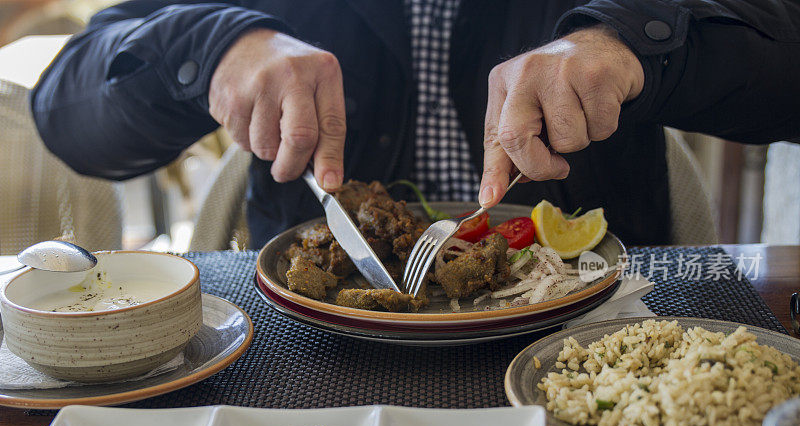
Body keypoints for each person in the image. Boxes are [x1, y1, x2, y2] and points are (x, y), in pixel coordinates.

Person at [31, 0, 800, 247]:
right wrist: (212, 43)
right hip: (320, 345)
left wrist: (635, 38)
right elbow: (65, 113)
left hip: (583, 338)